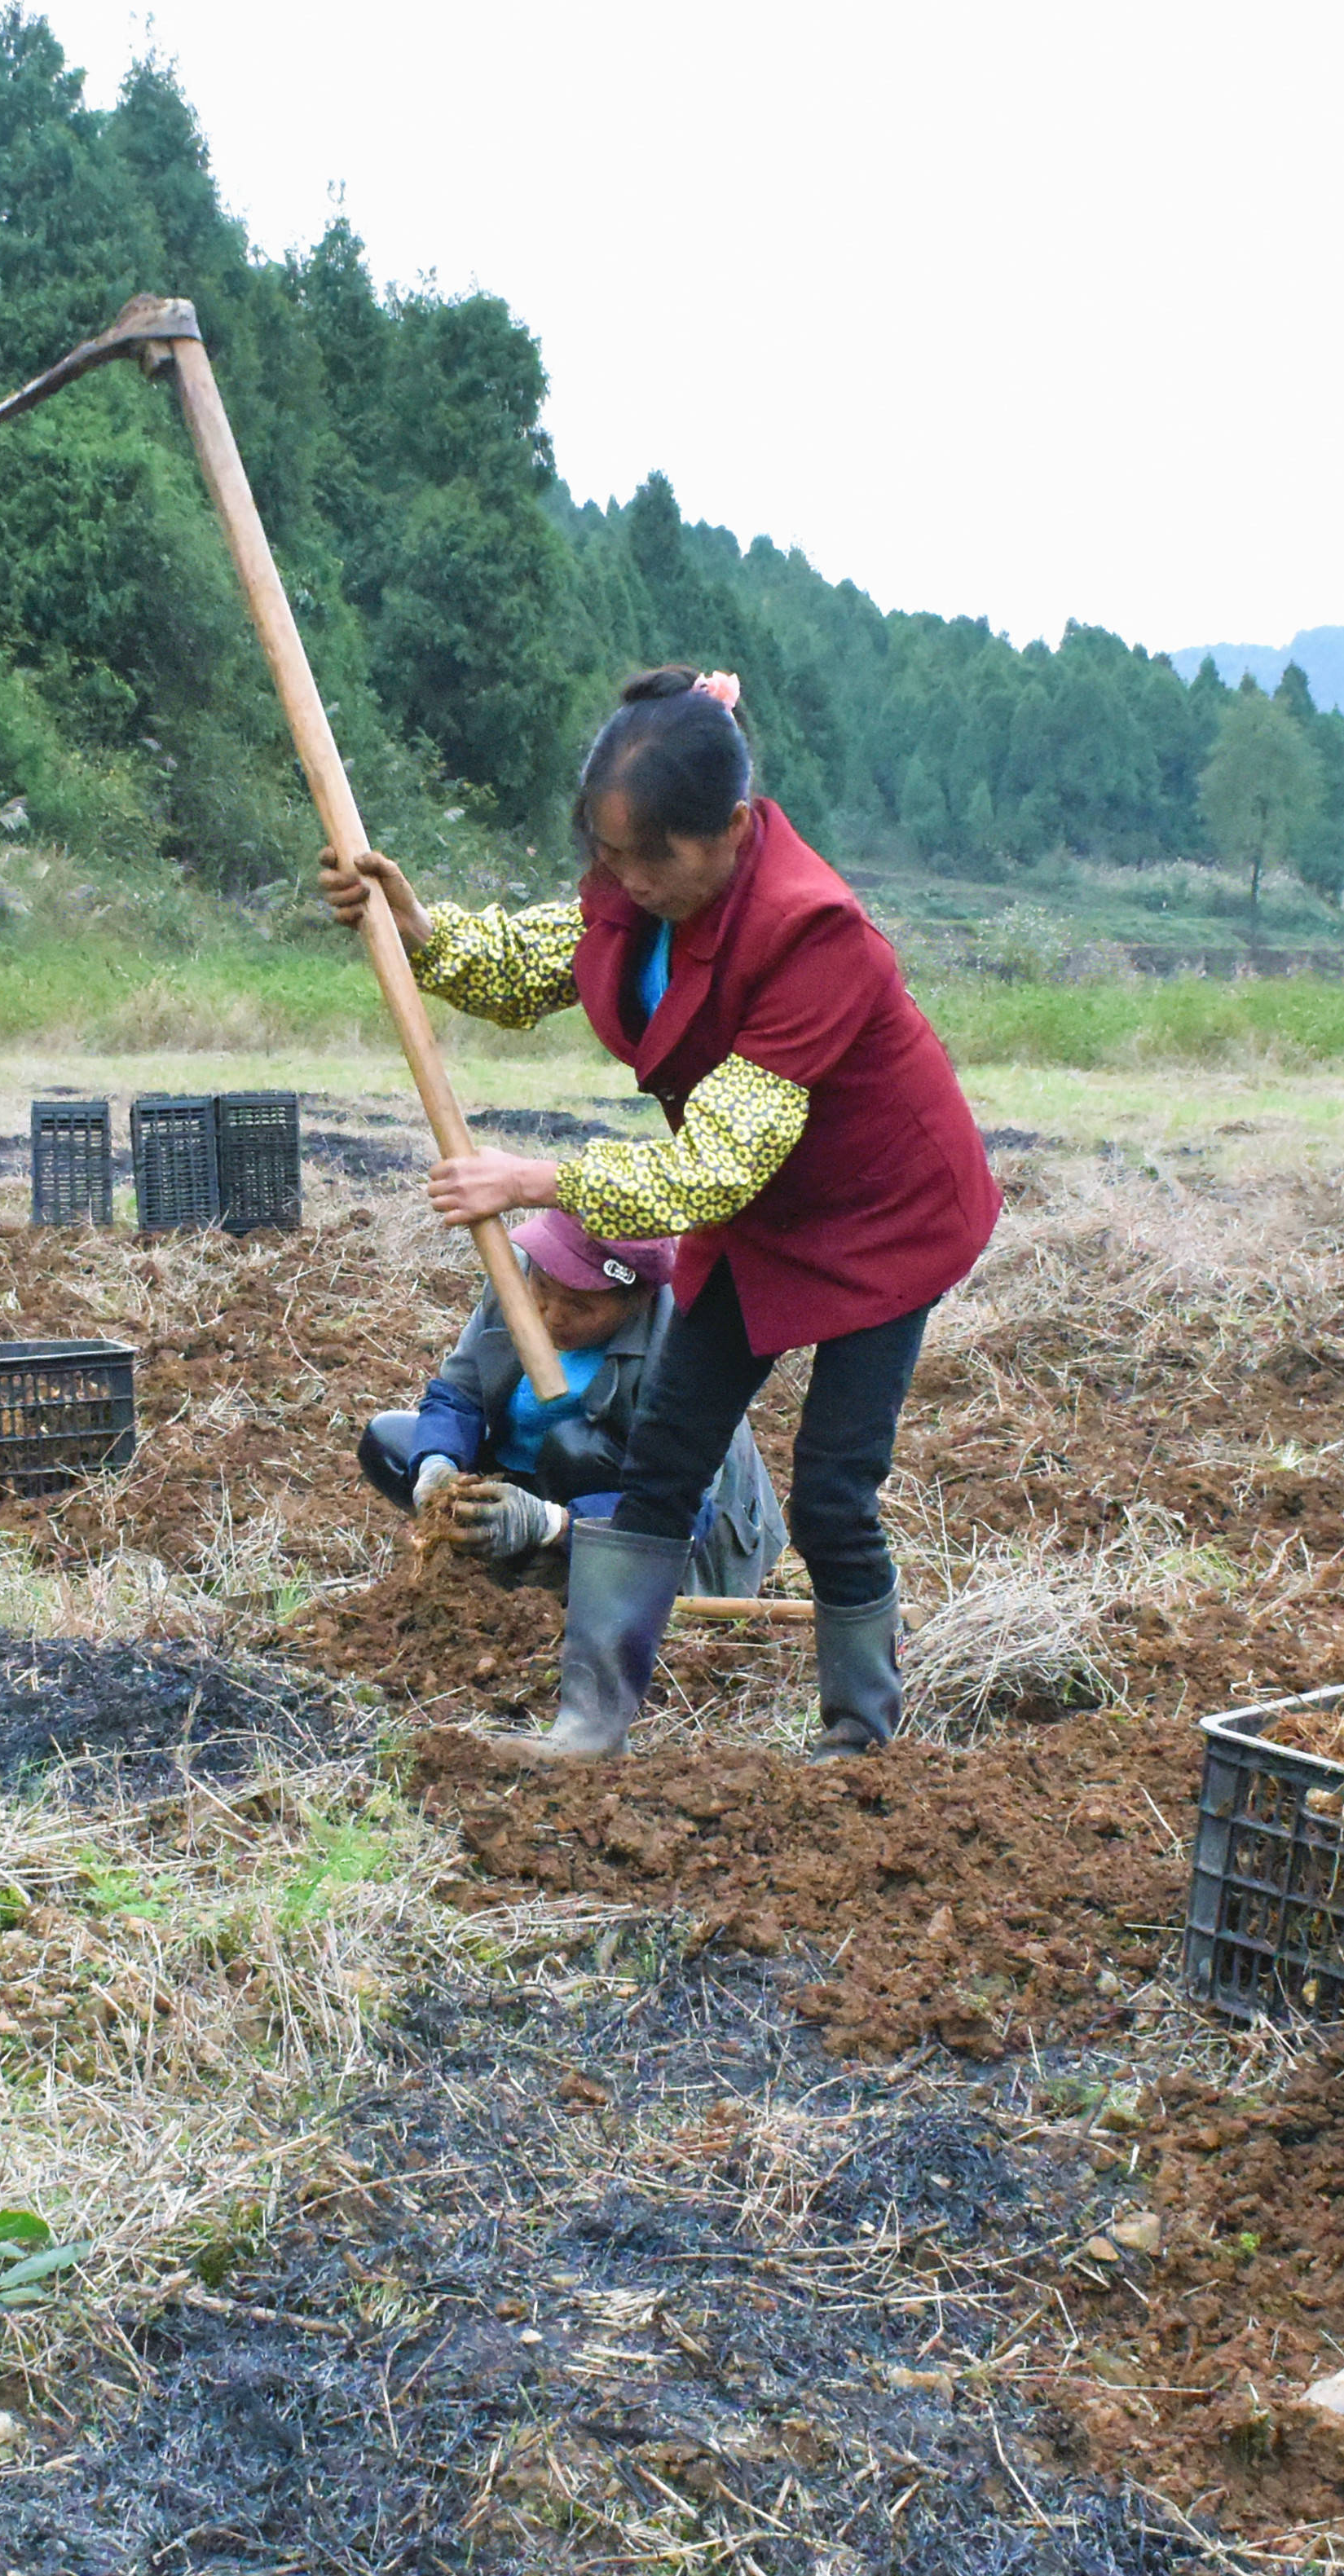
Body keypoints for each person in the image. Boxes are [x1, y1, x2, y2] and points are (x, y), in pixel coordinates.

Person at [319, 667, 999, 1762]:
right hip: (760, 1206)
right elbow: (554, 954)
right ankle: (591, 1720)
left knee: (831, 1486)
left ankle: (860, 1743)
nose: (625, 880)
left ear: (731, 829)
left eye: (651, 857)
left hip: (884, 1214)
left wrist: (533, 1180)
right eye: (607, 853)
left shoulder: (811, 932)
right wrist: (421, 931)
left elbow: (714, 1162)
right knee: (666, 1451)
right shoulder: (637, 895)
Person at [359, 1209, 786, 1600]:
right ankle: (503, 1549)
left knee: (576, 1446)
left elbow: (685, 1506)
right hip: (528, 1477)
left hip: (654, 1512)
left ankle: (572, 1567)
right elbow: (459, 1394)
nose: (551, 1316)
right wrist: (438, 1467)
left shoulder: (682, 1342)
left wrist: (552, 1522)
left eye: (581, 1305)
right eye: (543, 1289)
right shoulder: (513, 1283)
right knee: (393, 1443)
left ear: (637, 1299)